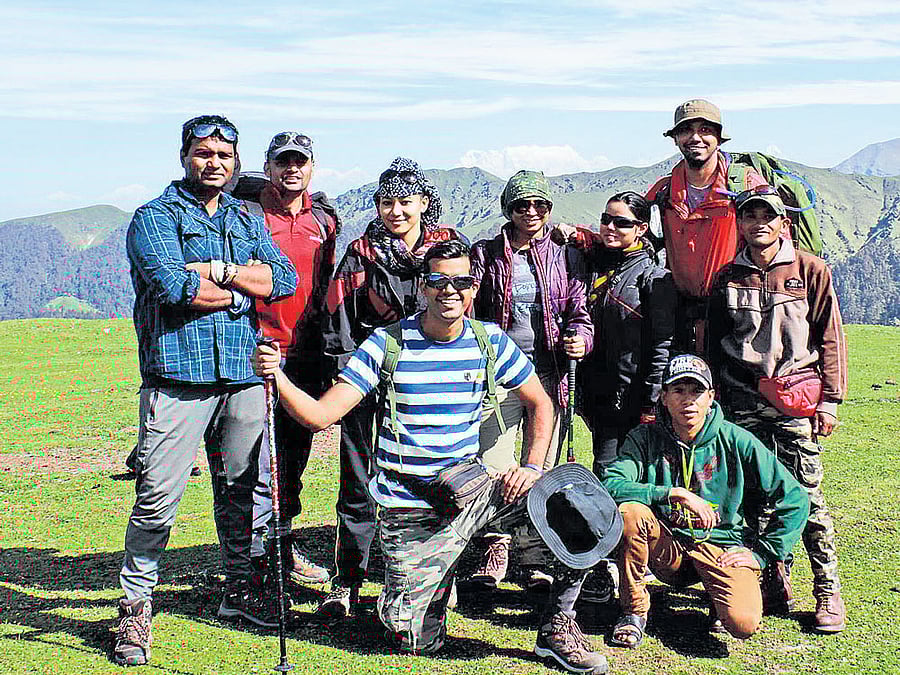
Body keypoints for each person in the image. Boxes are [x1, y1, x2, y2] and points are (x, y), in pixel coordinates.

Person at [255, 239, 607, 674]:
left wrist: (533, 469)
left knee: (579, 513)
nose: (450, 290)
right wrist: (278, 377)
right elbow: (320, 415)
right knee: (414, 640)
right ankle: (412, 592)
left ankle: (558, 628)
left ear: (474, 288)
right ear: (423, 286)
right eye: (439, 281)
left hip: (472, 489)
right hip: (410, 505)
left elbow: (541, 403)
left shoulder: (489, 341)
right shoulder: (386, 345)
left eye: (462, 281)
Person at [114, 115, 297, 667]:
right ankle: (136, 607)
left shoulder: (245, 215)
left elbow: (283, 281)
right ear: (184, 156)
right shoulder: (154, 218)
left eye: (223, 154)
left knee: (247, 491)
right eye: (202, 152)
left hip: (242, 375)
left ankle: (241, 592)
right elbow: (171, 287)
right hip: (176, 380)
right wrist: (246, 287)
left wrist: (218, 273)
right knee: (157, 500)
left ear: (236, 160)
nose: (213, 162)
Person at [320, 157, 463, 618]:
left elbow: (466, 305)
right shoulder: (361, 254)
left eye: (405, 201)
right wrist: (349, 379)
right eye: (385, 201)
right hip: (369, 377)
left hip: (428, 381)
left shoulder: (447, 251)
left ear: (424, 202)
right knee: (358, 480)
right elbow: (339, 317)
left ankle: (439, 574)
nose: (395, 211)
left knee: (435, 475)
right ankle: (348, 580)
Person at [708, 187, 849, 632]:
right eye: (750, 216)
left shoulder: (810, 270)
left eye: (767, 216)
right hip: (741, 400)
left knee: (807, 496)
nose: (759, 224)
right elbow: (714, 342)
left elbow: (830, 336)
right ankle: (772, 576)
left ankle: (827, 590)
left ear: (783, 222)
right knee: (751, 497)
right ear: (741, 223)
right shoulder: (727, 277)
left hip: (795, 401)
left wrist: (829, 400)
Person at [601, 354, 809, 648]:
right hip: (667, 546)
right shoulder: (644, 437)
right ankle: (633, 611)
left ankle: (720, 594)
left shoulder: (736, 440)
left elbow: (795, 497)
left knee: (744, 623)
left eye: (697, 392)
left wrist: (762, 553)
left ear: (711, 397)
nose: (689, 401)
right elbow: (611, 484)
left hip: (721, 547)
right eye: (678, 391)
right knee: (630, 512)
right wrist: (671, 493)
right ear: (663, 397)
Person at [469, 169, 593, 590]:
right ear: (509, 208)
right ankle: (495, 543)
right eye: (522, 204)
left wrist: (582, 339)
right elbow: (470, 311)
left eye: (540, 204)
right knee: (493, 463)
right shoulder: (486, 253)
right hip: (500, 374)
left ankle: (534, 552)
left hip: (549, 374)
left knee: (539, 466)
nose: (532, 212)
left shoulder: (564, 254)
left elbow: (578, 311)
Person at [237, 131, 339, 587]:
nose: (291, 169)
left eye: (300, 162)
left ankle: (280, 542)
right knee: (256, 456)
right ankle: (253, 553)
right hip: (258, 350)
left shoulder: (325, 220)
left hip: (307, 354)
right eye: (283, 162)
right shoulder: (249, 214)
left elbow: (326, 284)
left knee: (293, 454)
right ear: (269, 165)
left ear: (312, 168)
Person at [645, 99, 767, 352]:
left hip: (740, 314)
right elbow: (630, 234)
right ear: (675, 138)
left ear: (719, 139)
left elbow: (776, 241)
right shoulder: (663, 191)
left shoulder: (745, 184)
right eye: (686, 130)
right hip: (681, 315)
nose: (695, 138)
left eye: (705, 130)